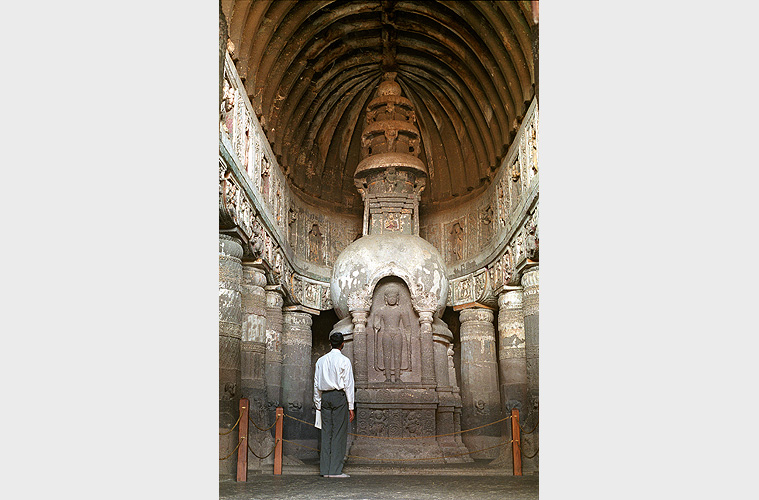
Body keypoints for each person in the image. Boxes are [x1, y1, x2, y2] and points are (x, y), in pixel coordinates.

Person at [313, 332, 355, 478]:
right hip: (338, 397)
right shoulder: (344, 361)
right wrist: (351, 406)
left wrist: (318, 404)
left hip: (325, 397)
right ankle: (335, 470)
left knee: (326, 433)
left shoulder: (320, 361)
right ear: (342, 344)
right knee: (338, 433)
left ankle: (325, 470)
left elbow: (316, 384)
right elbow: (348, 385)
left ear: (330, 343)